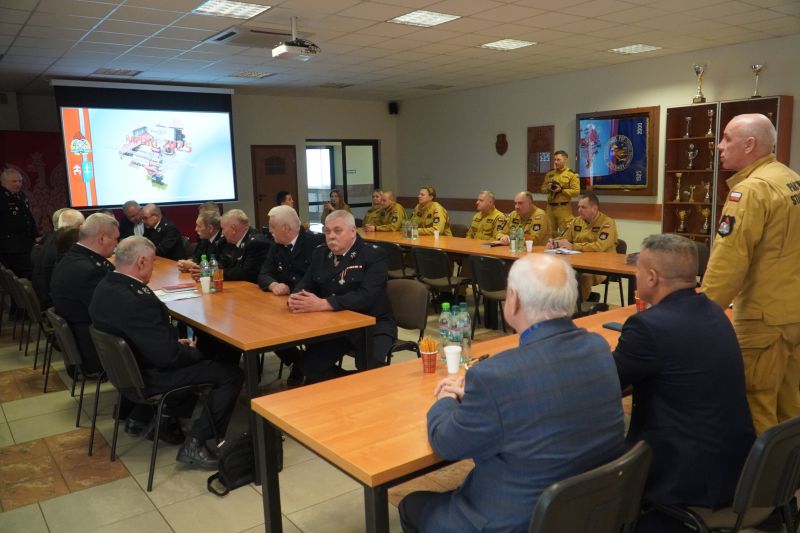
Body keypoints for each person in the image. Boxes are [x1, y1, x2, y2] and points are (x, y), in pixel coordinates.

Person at [399, 254, 624, 532]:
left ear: (514, 300)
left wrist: (446, 400)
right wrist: (480, 399)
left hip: (517, 521)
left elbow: (445, 442)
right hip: (593, 509)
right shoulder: (598, 347)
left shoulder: (495, 376)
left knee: (412, 505)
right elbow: (542, 396)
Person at [613, 235, 755, 531]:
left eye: (638, 269)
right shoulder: (714, 311)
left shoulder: (647, 326)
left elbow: (609, 381)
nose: (636, 275)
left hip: (683, 480)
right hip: (735, 469)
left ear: (652, 277)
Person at [89, 236, 243, 469]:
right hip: (150, 377)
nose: (152, 267)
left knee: (203, 358)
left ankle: (146, 418)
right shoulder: (137, 300)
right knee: (230, 374)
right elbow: (169, 357)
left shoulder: (105, 286)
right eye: (152, 262)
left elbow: (143, 338)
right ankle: (196, 443)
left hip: (127, 373)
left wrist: (172, 343)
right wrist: (195, 352)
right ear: (141, 262)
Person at [702, 113, 800, 436]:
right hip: (792, 315)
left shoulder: (751, 191)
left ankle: (763, 472)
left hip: (762, 320)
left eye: (727, 138)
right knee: (788, 405)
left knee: (756, 404)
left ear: (749, 145)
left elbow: (729, 261)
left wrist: (701, 313)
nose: (719, 146)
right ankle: (789, 469)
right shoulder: (791, 179)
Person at [288, 210, 397, 383]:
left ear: (353, 231)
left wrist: (325, 304)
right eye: (327, 231)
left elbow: (366, 296)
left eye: (337, 231)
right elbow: (306, 283)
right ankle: (348, 386)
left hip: (373, 324)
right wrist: (296, 298)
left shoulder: (373, 255)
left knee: (369, 370)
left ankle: (360, 389)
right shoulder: (321, 254)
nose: (331, 236)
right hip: (337, 325)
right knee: (310, 367)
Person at [257, 205, 325, 386]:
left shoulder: (314, 243)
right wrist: (273, 284)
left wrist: (294, 291)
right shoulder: (277, 245)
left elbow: (316, 280)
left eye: (273, 227)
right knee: (264, 328)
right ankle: (298, 362)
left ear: (286, 227)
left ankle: (307, 368)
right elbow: (263, 273)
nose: (270, 231)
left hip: (310, 304)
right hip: (285, 303)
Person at [50, 213, 119, 375]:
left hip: (81, 340)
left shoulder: (71, 258)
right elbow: (111, 313)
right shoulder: (91, 270)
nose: (117, 244)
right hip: (95, 350)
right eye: (116, 239)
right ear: (102, 239)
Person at [547, 193, 618, 301]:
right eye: (578, 207)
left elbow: (600, 246)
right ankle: (561, 303)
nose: (579, 210)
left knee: (584, 277)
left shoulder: (607, 223)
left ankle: (580, 306)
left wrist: (574, 246)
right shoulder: (576, 221)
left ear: (594, 208)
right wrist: (555, 243)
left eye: (583, 207)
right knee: (556, 270)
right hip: (579, 261)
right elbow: (565, 238)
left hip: (601, 265)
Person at [32, 208, 84, 307]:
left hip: (44, 294)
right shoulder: (65, 246)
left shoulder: (51, 239)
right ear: (79, 226)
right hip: (52, 301)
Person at [0, 168, 39, 279]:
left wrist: (36, 235)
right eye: (14, 181)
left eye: (20, 181)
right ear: (3, 182)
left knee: (31, 271)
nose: (18, 184)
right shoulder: (2, 197)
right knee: (24, 275)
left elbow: (28, 216)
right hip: (10, 246)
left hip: (24, 242)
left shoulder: (20, 195)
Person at [216, 208, 270, 283]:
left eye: (223, 229)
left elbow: (245, 274)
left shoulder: (256, 243)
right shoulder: (232, 241)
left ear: (233, 229)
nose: (222, 233)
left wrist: (216, 273)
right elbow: (226, 264)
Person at [540, 150, 580, 236]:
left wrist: (561, 190)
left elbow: (576, 192)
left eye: (558, 160)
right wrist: (548, 188)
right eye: (554, 160)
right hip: (550, 208)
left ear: (565, 160)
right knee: (548, 234)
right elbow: (542, 189)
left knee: (566, 234)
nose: (556, 162)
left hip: (563, 208)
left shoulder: (572, 174)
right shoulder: (550, 174)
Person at [176, 209, 225, 273]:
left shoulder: (224, 241)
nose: (196, 229)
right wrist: (188, 262)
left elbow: (220, 266)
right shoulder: (204, 238)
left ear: (210, 228)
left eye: (199, 226)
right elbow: (196, 256)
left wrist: (194, 266)